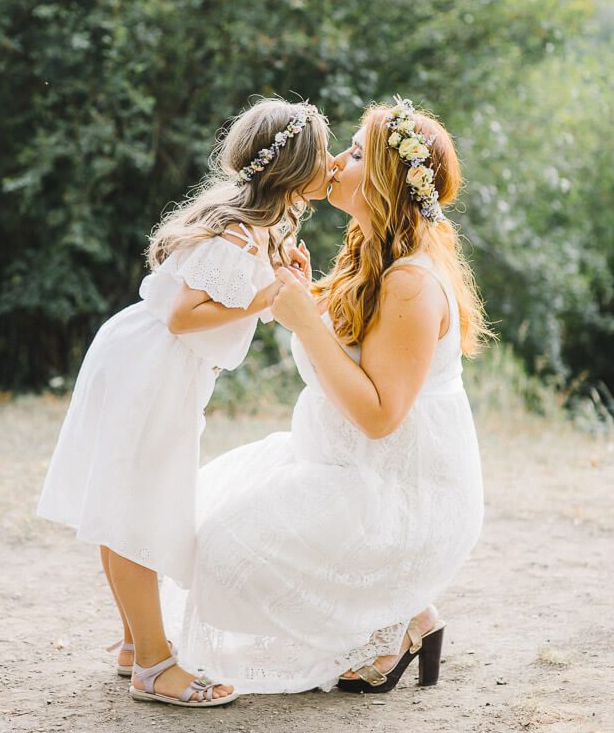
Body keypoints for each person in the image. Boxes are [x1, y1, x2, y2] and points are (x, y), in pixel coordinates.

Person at [162, 96, 488, 695]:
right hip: (338, 464)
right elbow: (353, 352)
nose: (337, 159)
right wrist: (306, 296)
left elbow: (380, 417)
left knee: (223, 551)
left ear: (387, 180)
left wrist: (306, 323)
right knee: (197, 514)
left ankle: (396, 613)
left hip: (396, 490)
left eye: (357, 152)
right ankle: (410, 617)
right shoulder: (370, 252)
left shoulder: (411, 282)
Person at [36, 98, 332, 708]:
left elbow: (245, 301)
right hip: (153, 368)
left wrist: (289, 286)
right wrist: (269, 294)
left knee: (130, 499)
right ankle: (154, 665)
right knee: (135, 508)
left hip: (151, 363)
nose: (331, 165)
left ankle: (133, 643)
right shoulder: (237, 232)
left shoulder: (260, 229)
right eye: (325, 154)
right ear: (296, 168)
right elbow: (182, 315)